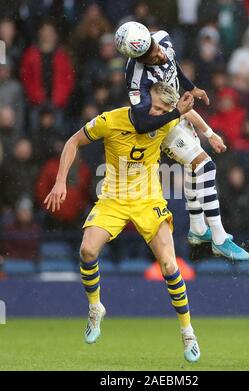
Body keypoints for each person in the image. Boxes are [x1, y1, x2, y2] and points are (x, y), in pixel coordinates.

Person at [43, 82, 200, 363]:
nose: (159, 113)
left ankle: (187, 332)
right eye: (156, 107)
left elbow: (187, 115)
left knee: (169, 265)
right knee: (87, 251)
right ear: (142, 102)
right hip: (113, 198)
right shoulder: (110, 120)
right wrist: (60, 181)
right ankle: (95, 308)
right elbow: (73, 141)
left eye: (165, 110)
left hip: (148, 199)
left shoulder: (167, 121)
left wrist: (210, 134)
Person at [115, 21, 249, 260]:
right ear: (138, 59)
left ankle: (198, 229)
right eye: (151, 56)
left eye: (155, 47)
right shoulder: (136, 80)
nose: (159, 54)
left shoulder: (164, 38)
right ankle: (219, 238)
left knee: (193, 168)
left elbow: (173, 66)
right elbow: (142, 122)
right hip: (162, 124)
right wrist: (176, 112)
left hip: (178, 113)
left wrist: (192, 87)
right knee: (206, 165)